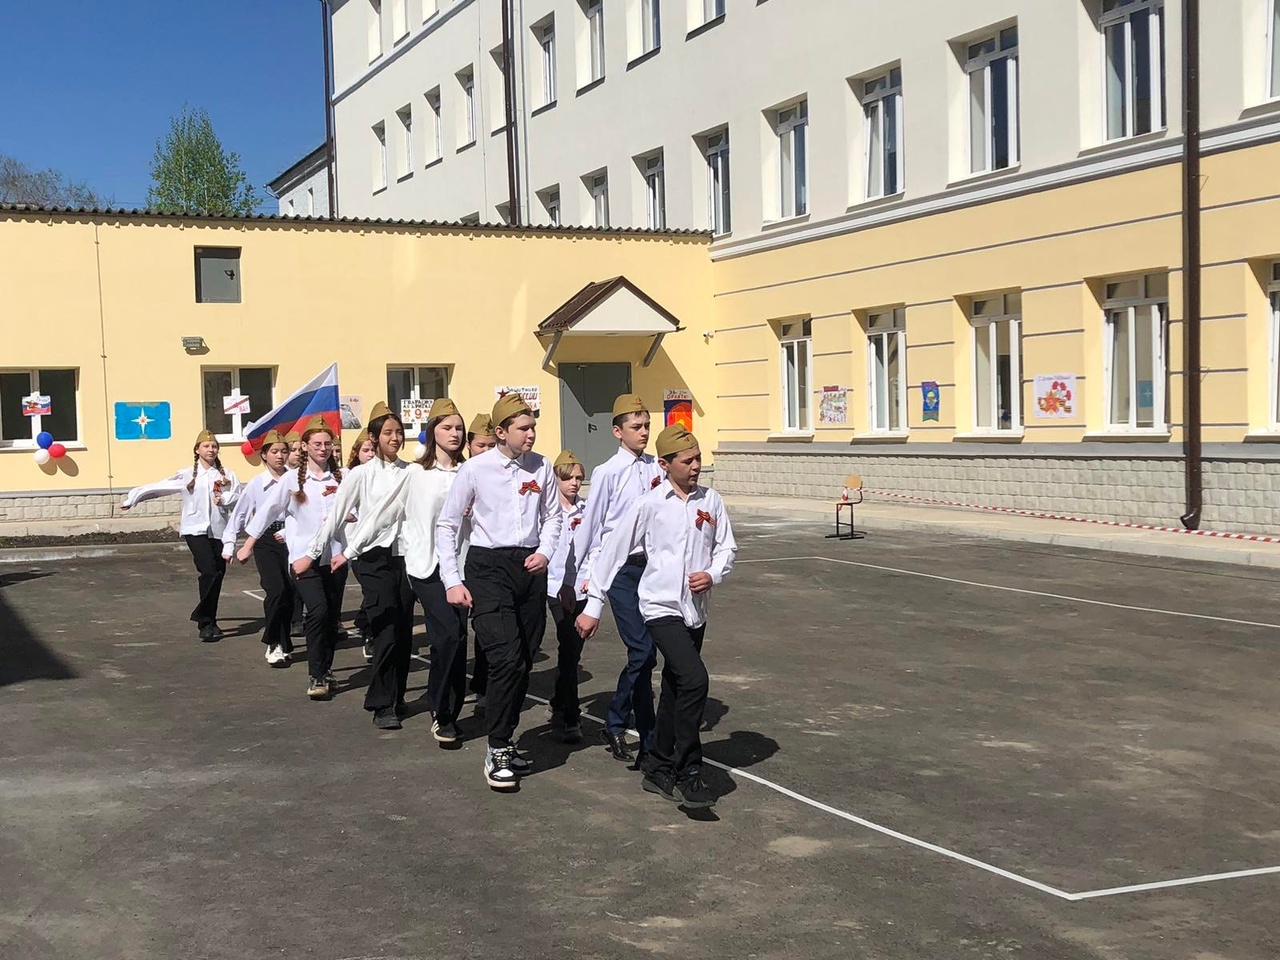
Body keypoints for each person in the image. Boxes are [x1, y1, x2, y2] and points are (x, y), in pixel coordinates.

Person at [577, 426, 736, 810]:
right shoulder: (648, 505)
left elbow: (726, 547)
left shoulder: (711, 500)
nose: (696, 466)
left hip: (695, 609)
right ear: (665, 464)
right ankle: (688, 770)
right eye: (687, 460)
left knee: (676, 687)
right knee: (695, 679)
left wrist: (712, 574)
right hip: (660, 607)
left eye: (698, 458)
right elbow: (612, 552)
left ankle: (657, 766)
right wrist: (593, 604)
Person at [437, 393, 562, 790]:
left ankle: (506, 735)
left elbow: (554, 517)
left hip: (529, 568)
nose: (531, 434)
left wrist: (545, 552)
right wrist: (452, 580)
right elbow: (447, 524)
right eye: (523, 428)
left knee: (523, 659)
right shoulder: (475, 469)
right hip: (488, 567)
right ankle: (498, 746)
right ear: (501, 431)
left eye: (533, 427)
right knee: (505, 657)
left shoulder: (542, 466)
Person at [307, 402, 416, 730]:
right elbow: (337, 515)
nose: (395, 438)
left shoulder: (412, 472)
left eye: (399, 432)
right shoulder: (360, 474)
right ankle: (381, 703)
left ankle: (397, 695)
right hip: (371, 558)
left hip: (406, 557)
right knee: (386, 628)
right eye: (388, 433)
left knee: (403, 630)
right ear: (373, 437)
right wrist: (314, 552)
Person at [573, 394, 663, 763]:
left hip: (652, 567)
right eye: (636, 427)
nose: (643, 432)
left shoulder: (656, 466)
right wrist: (581, 574)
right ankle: (620, 723)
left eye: (646, 426)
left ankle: (638, 726)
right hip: (621, 570)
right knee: (641, 649)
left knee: (649, 652)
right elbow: (592, 526)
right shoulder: (608, 472)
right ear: (617, 431)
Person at [238, 417, 346, 701]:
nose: (323, 448)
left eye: (327, 443)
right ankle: (316, 674)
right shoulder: (292, 479)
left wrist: (349, 517)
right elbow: (269, 511)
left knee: (331, 617)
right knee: (318, 611)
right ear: (306, 447)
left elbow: (357, 510)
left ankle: (326, 669)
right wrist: (248, 544)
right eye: (317, 444)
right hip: (302, 559)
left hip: (335, 557)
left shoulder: (342, 477)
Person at [121, 429, 241, 641]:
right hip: (195, 529)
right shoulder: (187, 475)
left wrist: (224, 499)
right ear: (197, 450)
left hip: (219, 530)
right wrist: (133, 499)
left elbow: (240, 499)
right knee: (209, 570)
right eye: (206, 446)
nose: (211, 449)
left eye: (214, 446)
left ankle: (210, 620)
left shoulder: (227, 475)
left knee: (217, 574)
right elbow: (160, 487)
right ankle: (205, 621)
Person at [403, 398, 470, 745]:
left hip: (460, 566)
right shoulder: (416, 473)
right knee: (448, 635)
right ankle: (441, 712)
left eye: (458, 428)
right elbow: (389, 512)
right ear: (432, 432)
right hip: (426, 567)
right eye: (447, 427)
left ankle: (448, 712)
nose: (454, 433)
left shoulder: (469, 472)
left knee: (457, 639)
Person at [220, 429, 296, 666]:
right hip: (265, 539)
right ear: (264, 455)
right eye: (274, 451)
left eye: (283, 451)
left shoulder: (296, 479)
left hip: (293, 537)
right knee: (276, 590)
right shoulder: (256, 484)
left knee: (290, 592)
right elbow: (240, 514)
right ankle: (274, 642)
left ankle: (283, 641)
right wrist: (230, 544)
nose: (280, 456)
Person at [545, 449, 588, 744]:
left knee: (572, 651)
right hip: (554, 586)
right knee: (569, 645)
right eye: (568, 478)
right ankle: (571, 716)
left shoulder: (587, 509)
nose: (574, 483)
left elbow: (596, 545)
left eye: (578, 478)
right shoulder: (547, 511)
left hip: (582, 585)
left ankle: (560, 700)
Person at [464, 413, 498, 710]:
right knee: (452, 634)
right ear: (469, 446)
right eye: (480, 446)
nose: (486, 451)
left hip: (485, 565)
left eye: (491, 445)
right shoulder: (463, 473)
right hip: (458, 559)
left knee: (486, 626)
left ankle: (483, 685)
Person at [345, 430, 377, 660]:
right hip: (356, 547)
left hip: (380, 545)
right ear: (357, 453)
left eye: (373, 450)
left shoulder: (385, 475)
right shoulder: (349, 475)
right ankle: (369, 631)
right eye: (366, 450)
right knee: (372, 591)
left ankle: (367, 628)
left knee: (377, 593)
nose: (371, 454)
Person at [285, 430, 307, 638]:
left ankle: (297, 619)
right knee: (284, 583)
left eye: (301, 450)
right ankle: (290, 618)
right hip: (278, 535)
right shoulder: (283, 478)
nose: (298, 453)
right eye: (293, 450)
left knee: (299, 576)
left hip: (299, 535)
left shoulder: (308, 476)